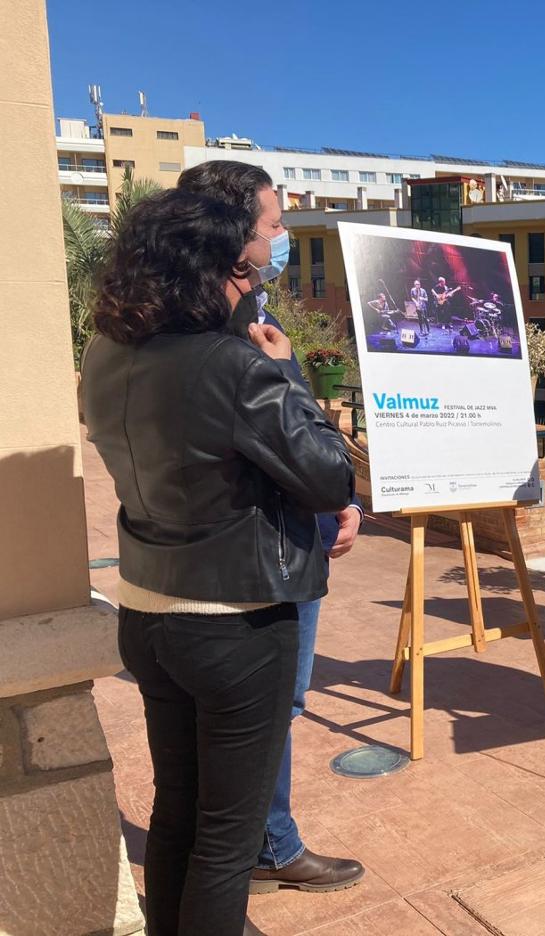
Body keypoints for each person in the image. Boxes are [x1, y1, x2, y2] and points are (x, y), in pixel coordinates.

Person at [80, 189, 356, 936]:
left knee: (177, 816)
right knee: (228, 845)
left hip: (148, 612)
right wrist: (291, 373)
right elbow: (331, 475)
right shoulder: (236, 366)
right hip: (234, 625)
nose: (258, 274)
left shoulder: (105, 353)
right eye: (252, 262)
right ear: (221, 264)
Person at [177, 161, 367, 898]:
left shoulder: (202, 311)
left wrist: (333, 507)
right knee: (269, 704)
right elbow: (290, 435)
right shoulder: (229, 326)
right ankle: (266, 846)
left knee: (252, 709)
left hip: (276, 535)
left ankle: (250, 841)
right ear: (233, 236)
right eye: (276, 226)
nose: (283, 238)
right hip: (261, 555)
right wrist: (293, 387)